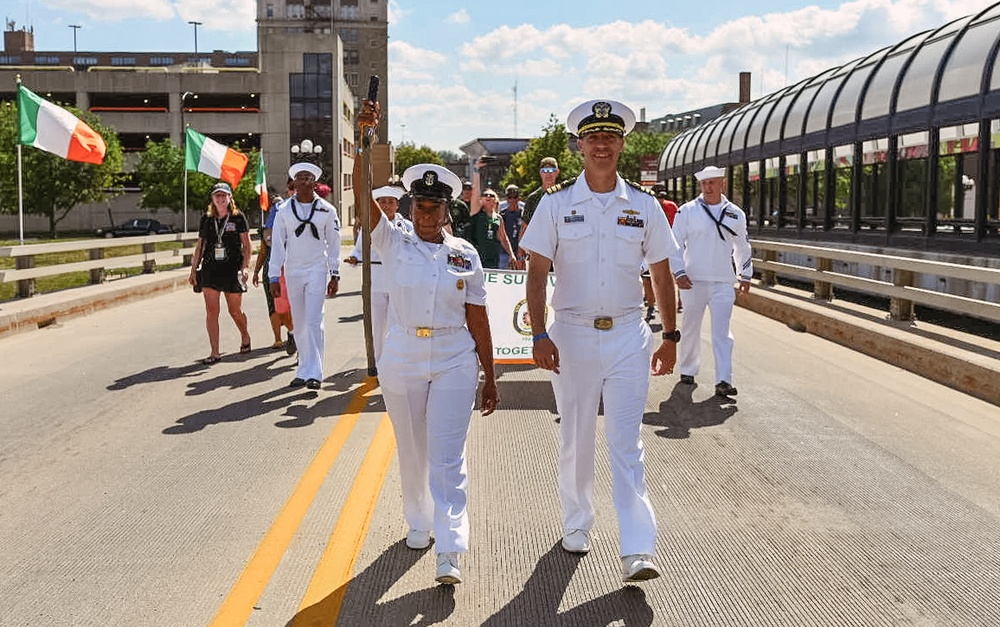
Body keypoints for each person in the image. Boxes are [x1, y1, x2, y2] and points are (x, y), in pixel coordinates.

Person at [520, 99, 683, 583]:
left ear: (622, 144)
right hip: (570, 334)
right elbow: (536, 272)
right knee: (575, 436)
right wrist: (539, 332)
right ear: (580, 146)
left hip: (629, 334)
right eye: (593, 138)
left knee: (627, 441)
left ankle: (637, 547)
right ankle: (577, 524)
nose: (602, 145)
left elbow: (662, 272)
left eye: (610, 137)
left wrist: (670, 336)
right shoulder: (554, 205)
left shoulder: (645, 206)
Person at [356, 100, 499, 586]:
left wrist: (491, 375)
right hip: (403, 356)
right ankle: (418, 521)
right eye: (419, 206)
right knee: (412, 448)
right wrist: (365, 142)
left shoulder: (465, 254)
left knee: (447, 453)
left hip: (456, 356)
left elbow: (478, 317)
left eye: (434, 208)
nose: (425, 214)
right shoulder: (392, 242)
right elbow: (362, 199)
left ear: (446, 211)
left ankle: (450, 548)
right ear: (411, 206)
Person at [670, 165, 753, 398]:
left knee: (722, 332)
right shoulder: (687, 211)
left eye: (712, 182)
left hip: (722, 282)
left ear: (722, 184)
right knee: (690, 327)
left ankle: (724, 380)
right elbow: (675, 243)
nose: (708, 187)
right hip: (692, 281)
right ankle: (687, 370)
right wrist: (678, 271)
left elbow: (743, 247)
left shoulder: (735, 213)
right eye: (704, 183)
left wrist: (745, 275)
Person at [268, 162, 342, 390]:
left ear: (315, 183)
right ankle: (303, 370)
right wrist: (273, 277)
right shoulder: (283, 211)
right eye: (300, 177)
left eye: (308, 177)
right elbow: (278, 246)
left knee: (313, 320)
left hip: (317, 269)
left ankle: (315, 373)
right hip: (293, 270)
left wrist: (335, 274)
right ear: (293, 183)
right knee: (299, 323)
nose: (304, 181)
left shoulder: (327, 211)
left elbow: (335, 243)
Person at [343, 184, 411, 362]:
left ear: (397, 205)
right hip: (375, 281)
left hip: (399, 281)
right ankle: (378, 361)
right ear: (377, 205)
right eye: (382, 202)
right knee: (377, 325)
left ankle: (396, 360)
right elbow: (358, 251)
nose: (387, 205)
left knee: (397, 324)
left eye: (391, 202)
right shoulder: (369, 227)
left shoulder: (408, 227)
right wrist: (354, 258)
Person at [188, 181, 253, 364]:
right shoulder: (207, 219)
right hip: (210, 269)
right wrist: (194, 270)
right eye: (217, 196)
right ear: (212, 199)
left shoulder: (238, 217)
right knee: (212, 311)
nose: (221, 199)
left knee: (235, 311)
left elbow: (247, 246)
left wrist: (245, 267)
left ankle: (245, 335)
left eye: (224, 195)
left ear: (230, 198)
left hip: (232, 269)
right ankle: (214, 352)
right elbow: (200, 246)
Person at [252, 184, 295, 350]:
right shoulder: (267, 230)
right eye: (273, 206)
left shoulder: (293, 223)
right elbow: (263, 252)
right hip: (272, 271)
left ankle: (294, 335)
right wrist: (256, 271)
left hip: (291, 269)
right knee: (275, 306)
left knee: (292, 306)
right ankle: (280, 337)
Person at [468, 159, 516, 269]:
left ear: (496, 201)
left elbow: (503, 238)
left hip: (493, 259)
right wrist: (476, 170)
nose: (488, 196)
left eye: (492, 195)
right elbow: (475, 193)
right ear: (481, 200)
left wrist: (511, 254)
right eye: (485, 195)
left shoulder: (498, 218)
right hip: (476, 259)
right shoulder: (476, 212)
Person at [642, 189, 682, 321]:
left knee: (674, 274)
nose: (661, 200)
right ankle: (651, 306)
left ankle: (679, 301)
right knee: (648, 278)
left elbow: (678, 225)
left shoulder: (671, 206)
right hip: (652, 244)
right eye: (659, 197)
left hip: (671, 244)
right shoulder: (648, 204)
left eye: (662, 197)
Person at [518, 157, 562, 263]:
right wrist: (520, 255)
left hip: (561, 250)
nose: (548, 174)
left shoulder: (564, 195)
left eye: (552, 170)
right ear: (540, 173)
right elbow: (525, 226)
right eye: (545, 171)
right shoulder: (533, 198)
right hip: (539, 250)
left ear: (557, 172)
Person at [498, 184, 524, 269]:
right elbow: (500, 235)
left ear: (519, 198)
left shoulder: (524, 215)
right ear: (506, 199)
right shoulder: (502, 215)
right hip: (504, 252)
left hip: (520, 253)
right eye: (510, 197)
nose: (512, 200)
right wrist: (510, 254)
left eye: (515, 197)